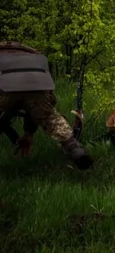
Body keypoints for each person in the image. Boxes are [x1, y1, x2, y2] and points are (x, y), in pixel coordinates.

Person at [0, 41, 93, 169]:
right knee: (50, 117)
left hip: (4, 81)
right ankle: (74, 148)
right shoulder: (30, 52)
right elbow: (34, 106)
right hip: (37, 79)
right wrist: (29, 133)